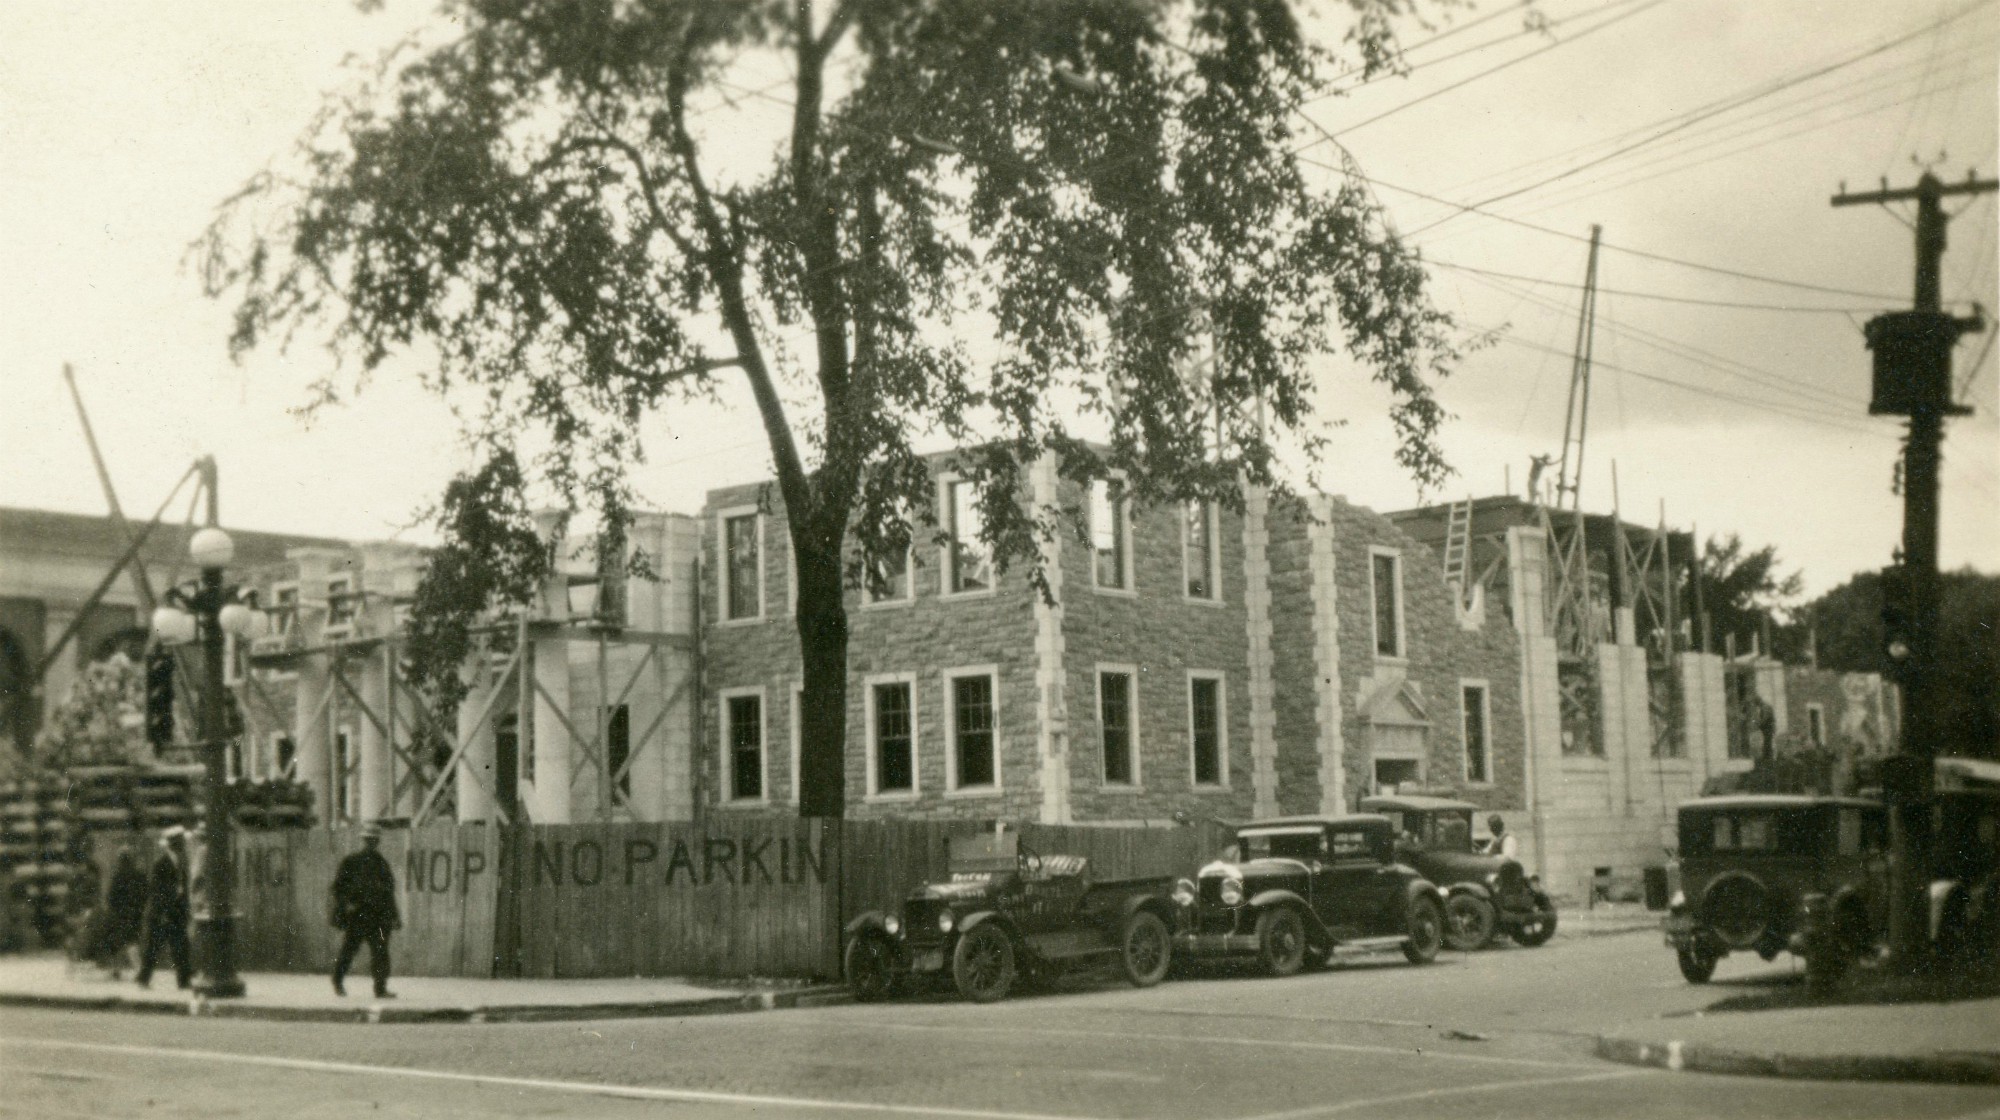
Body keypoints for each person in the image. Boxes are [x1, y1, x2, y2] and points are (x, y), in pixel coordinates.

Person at [329, 822, 400, 998]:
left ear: (377, 842)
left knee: (381, 952)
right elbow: (338, 888)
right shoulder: (351, 862)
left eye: (374, 840)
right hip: (358, 915)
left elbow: (389, 892)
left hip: (379, 915)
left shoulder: (381, 863)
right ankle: (338, 981)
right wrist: (346, 904)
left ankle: (380, 988)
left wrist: (395, 916)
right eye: (368, 840)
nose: (371, 843)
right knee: (349, 949)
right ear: (363, 840)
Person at [135, 827, 191, 990]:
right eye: (179, 842)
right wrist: (163, 912)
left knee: (181, 947)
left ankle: (184, 980)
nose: (182, 846)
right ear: (173, 844)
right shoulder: (161, 863)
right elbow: (157, 890)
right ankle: (143, 979)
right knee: (153, 947)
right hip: (162, 913)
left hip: (177, 911)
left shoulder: (181, 861)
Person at [94, 843, 149, 977]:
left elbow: (111, 896)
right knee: (132, 941)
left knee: (116, 942)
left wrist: (111, 909)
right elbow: (146, 893)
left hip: (119, 914)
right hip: (135, 913)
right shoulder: (139, 875)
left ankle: (117, 969)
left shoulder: (118, 876)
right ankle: (137, 969)